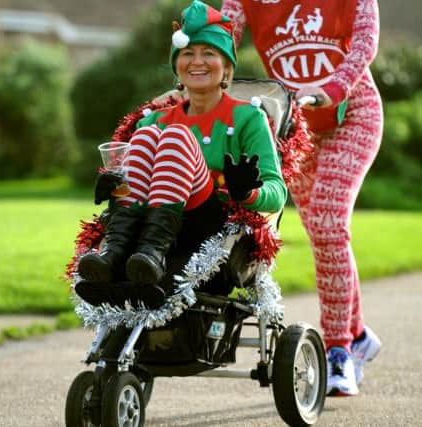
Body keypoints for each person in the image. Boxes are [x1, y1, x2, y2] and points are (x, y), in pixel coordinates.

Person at [75, 0, 287, 311]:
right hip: (141, 226)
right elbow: (134, 177)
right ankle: (116, 255)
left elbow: (277, 193)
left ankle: (153, 253)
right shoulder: (153, 120)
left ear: (227, 67)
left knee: (174, 135)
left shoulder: (248, 118)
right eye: (188, 53)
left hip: (208, 228)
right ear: (177, 65)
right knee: (148, 134)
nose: (197, 62)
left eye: (209, 53)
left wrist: (248, 191)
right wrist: (115, 186)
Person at [221, 0, 382, 396]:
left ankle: (339, 350)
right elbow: (223, 33)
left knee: (328, 223)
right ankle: (357, 332)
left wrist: (332, 88)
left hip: (352, 114)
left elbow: (364, 43)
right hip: (295, 129)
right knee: (325, 236)